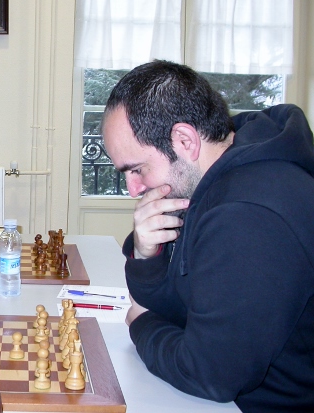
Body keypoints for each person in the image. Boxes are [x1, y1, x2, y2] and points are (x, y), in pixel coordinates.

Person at [102, 60, 314, 412]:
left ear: (185, 141)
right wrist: (147, 254)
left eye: (137, 169)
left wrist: (142, 325)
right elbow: (178, 304)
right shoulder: (209, 181)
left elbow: (209, 374)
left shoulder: (248, 215)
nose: (133, 189)